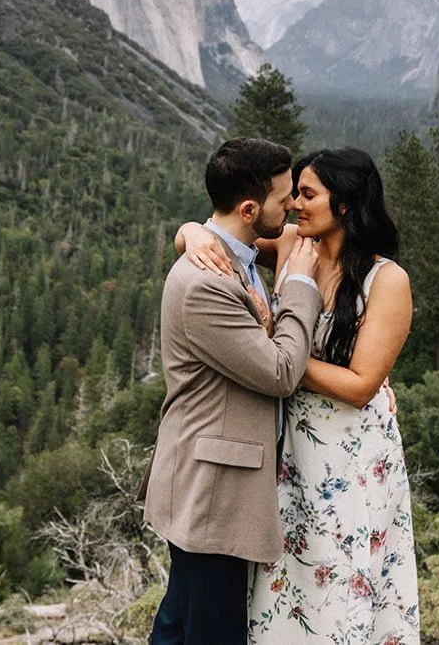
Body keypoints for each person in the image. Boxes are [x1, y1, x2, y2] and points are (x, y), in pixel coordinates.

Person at [178, 147, 420, 643]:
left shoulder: (387, 280)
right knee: (285, 590)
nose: (294, 205)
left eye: (308, 195)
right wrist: (190, 231)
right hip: (288, 452)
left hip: (350, 459)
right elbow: (228, 236)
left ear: (345, 203)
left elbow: (361, 386)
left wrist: (274, 353)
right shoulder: (292, 245)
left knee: (338, 586)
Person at [144, 137, 324, 645]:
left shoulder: (231, 255)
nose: (292, 207)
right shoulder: (208, 283)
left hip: (212, 477)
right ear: (249, 209)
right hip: (213, 487)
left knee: (181, 622)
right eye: (284, 198)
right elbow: (281, 370)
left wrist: (189, 231)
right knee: (210, 630)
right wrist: (300, 286)